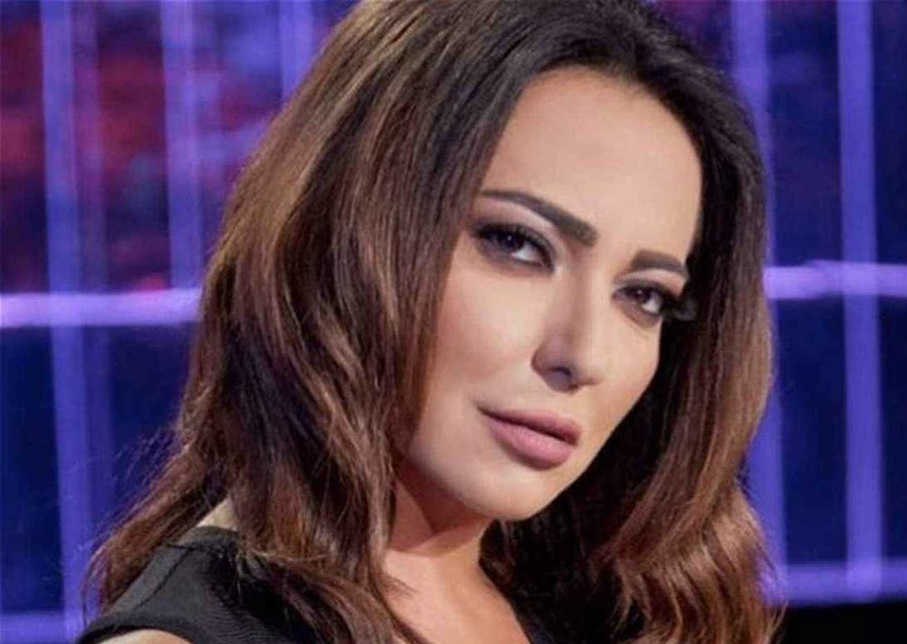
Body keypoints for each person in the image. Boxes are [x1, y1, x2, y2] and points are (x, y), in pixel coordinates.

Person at [77, 0, 779, 642]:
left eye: (644, 295)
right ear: (346, 230)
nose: (584, 355)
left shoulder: (620, 611)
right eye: (517, 244)